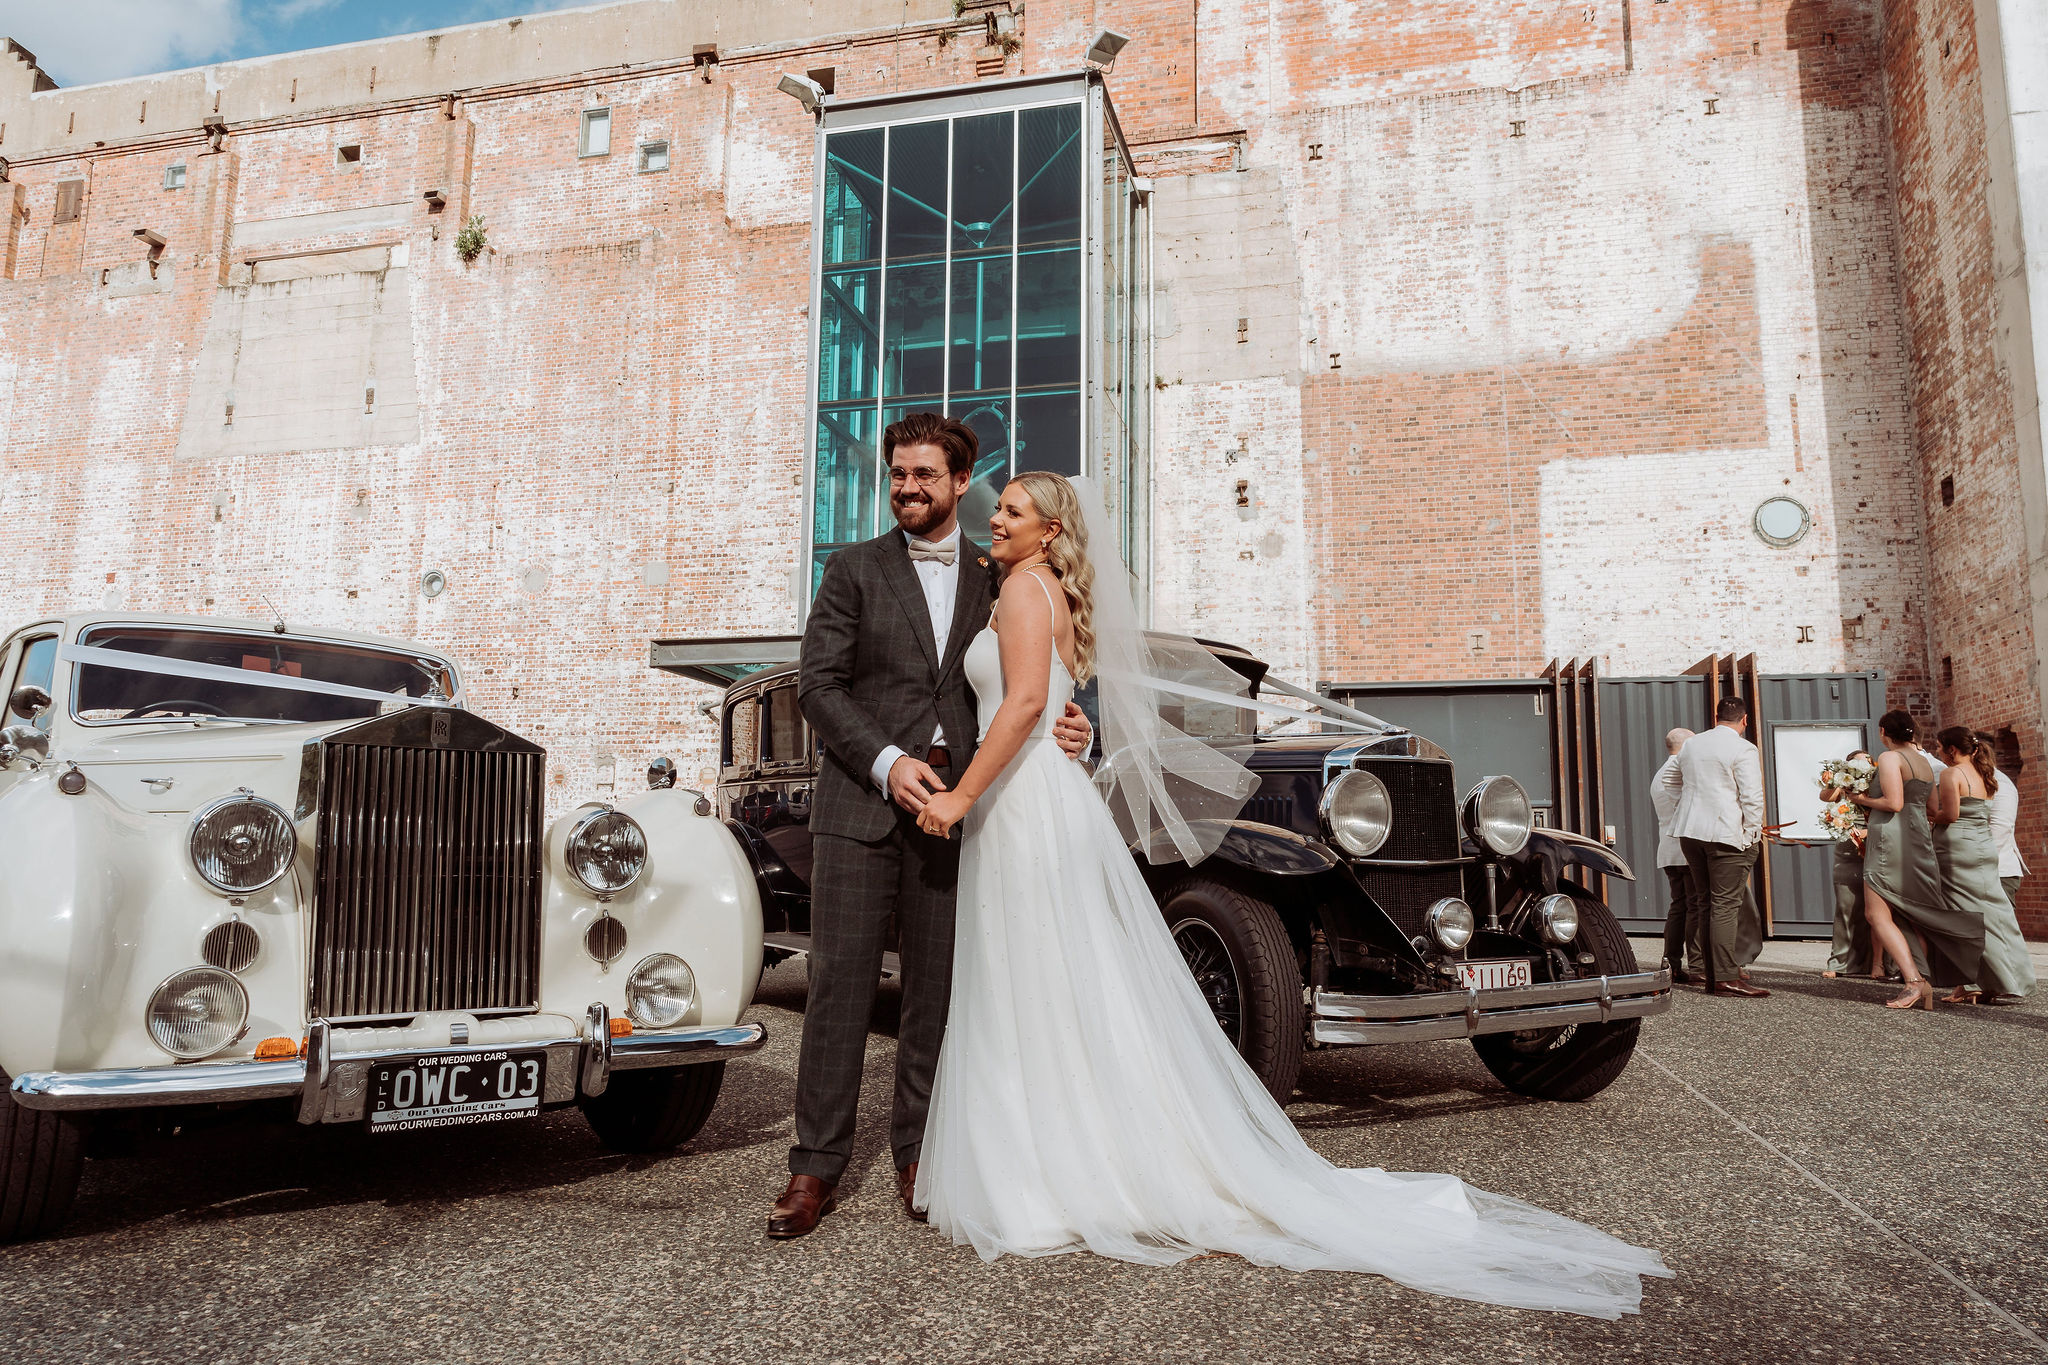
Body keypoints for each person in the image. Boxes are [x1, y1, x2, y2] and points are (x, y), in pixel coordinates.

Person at [905, 470, 1670, 1316]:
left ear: (1049, 531)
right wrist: (1071, 740)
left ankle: (1039, 1171)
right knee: (1053, 981)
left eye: (1011, 510)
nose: (995, 519)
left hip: (1014, 802)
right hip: (1041, 797)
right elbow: (1048, 709)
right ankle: (1072, 1157)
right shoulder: (1044, 593)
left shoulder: (1019, 588)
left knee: (1030, 981)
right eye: (998, 508)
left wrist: (958, 796)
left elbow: (1018, 707)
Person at [774, 413, 1092, 1239]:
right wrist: (885, 760)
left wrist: (1072, 721)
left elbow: (1035, 673)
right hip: (861, 809)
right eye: (898, 473)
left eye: (925, 474)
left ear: (960, 480)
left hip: (963, 814)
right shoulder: (850, 569)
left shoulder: (1002, 574)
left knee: (937, 997)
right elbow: (818, 687)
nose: (908, 487)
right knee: (839, 991)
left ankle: (920, 1151)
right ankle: (813, 1168)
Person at [1849, 710, 1980, 1009]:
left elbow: (1893, 803)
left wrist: (1860, 800)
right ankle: (1922, 980)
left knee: (1876, 914)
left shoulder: (1890, 758)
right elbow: (1932, 808)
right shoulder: (1923, 761)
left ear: (1884, 731)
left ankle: (1914, 983)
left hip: (1889, 840)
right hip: (1918, 839)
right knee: (1909, 913)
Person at [1662, 697, 1770, 997]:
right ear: (1745, 720)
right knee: (1725, 905)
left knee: (1707, 902)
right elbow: (1752, 796)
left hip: (1690, 832)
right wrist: (1752, 833)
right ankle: (1724, 977)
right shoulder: (1743, 748)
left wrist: (1688, 805)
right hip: (1725, 833)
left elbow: (1670, 780)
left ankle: (1711, 975)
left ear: (1715, 715)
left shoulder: (1693, 744)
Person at [1930, 727, 2035, 1003]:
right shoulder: (1986, 774)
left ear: (1952, 750)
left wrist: (1929, 813)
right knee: (1996, 915)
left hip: (1956, 848)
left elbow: (1950, 815)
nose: (1937, 752)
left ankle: (1973, 981)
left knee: (1964, 917)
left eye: (1940, 747)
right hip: (1984, 848)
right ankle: (2013, 978)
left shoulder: (1951, 774)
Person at [1649, 727, 1698, 982]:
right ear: (1686, 746)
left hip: (1668, 847)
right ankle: (1697, 963)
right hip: (1685, 848)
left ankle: (1672, 961)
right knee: (1694, 907)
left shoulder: (1660, 773)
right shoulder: (1678, 770)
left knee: (1679, 906)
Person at [1822, 749, 1874, 979]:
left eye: (1865, 764)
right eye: (1855, 764)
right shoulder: (1842, 787)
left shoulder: (1877, 785)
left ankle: (1874, 963)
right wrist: (1843, 782)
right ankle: (1840, 962)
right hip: (1847, 849)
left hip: (1873, 844)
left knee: (1875, 909)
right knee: (1846, 906)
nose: (1861, 768)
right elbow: (1826, 797)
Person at [1983, 733, 2029, 917]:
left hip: (1999, 870)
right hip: (1981, 869)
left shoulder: (2001, 784)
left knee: (2004, 932)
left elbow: (2000, 830)